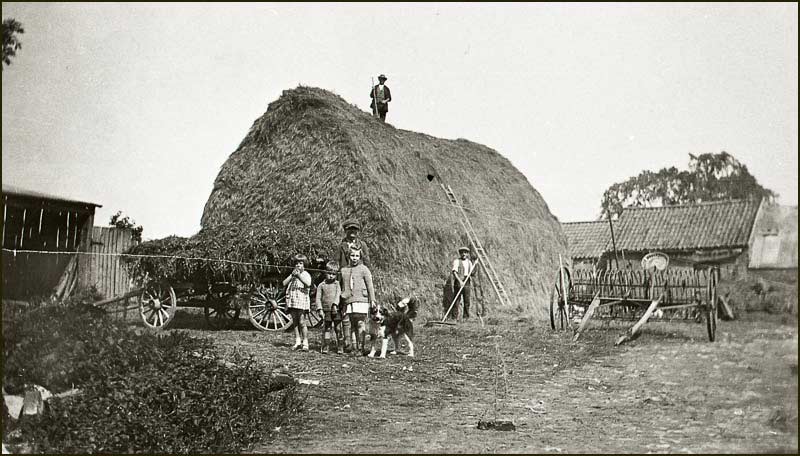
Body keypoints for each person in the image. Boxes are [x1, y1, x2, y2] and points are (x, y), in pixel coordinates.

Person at [337, 219, 370, 352]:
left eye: (355, 230)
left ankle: (361, 345)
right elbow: (338, 262)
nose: (352, 232)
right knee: (346, 314)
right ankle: (348, 343)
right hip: (346, 280)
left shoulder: (363, 245)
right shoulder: (341, 246)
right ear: (346, 231)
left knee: (360, 317)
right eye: (350, 230)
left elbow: (367, 262)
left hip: (359, 282)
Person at [340, 248, 376, 355]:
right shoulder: (344, 270)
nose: (354, 258)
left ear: (360, 257)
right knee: (352, 325)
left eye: (356, 256)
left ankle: (361, 347)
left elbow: (370, 285)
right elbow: (342, 285)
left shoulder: (364, 269)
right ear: (348, 256)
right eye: (352, 256)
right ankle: (354, 347)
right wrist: (342, 298)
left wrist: (372, 299)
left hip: (361, 300)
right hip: (349, 300)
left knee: (361, 324)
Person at [283, 254, 313, 351]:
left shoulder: (305, 274)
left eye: (300, 263)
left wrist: (299, 276)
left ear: (304, 265)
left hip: (301, 301)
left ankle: (305, 342)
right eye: (296, 263)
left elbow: (308, 284)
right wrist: (292, 276)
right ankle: (297, 341)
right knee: (295, 322)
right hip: (293, 301)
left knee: (302, 322)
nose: (298, 266)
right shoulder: (293, 275)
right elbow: (284, 283)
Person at [315, 260, 343, 354]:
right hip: (326, 310)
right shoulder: (321, 285)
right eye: (329, 273)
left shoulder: (337, 284)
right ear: (325, 273)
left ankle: (340, 345)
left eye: (333, 274)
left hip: (336, 310)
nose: (331, 276)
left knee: (338, 328)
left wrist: (335, 304)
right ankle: (326, 345)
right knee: (327, 328)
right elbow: (318, 298)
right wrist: (320, 309)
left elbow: (338, 295)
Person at [451, 247, 475, 320]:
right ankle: (454, 318)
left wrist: (475, 265)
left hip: (467, 281)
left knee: (467, 300)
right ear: (460, 253)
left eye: (465, 252)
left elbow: (472, 273)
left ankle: (466, 317)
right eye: (462, 252)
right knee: (456, 300)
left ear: (467, 254)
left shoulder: (469, 262)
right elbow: (454, 272)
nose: (463, 254)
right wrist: (460, 281)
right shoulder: (457, 261)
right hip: (458, 281)